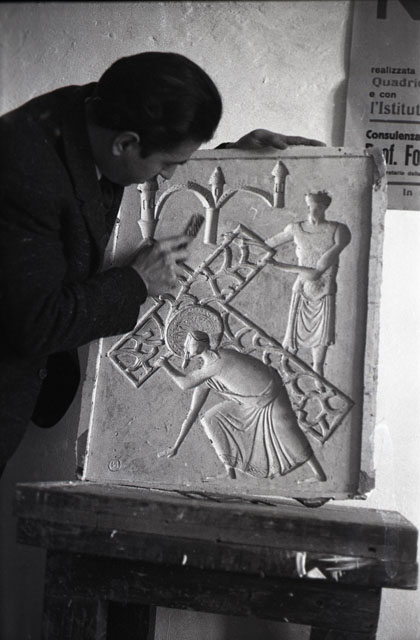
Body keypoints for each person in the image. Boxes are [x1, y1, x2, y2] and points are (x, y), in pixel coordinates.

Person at [0, 51, 324, 475]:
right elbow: (35, 323)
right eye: (170, 163)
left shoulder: (95, 114)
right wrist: (135, 281)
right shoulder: (21, 169)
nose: (169, 175)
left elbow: (131, 170)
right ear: (125, 143)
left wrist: (231, 160)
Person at [158, 330, 326, 482]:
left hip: (270, 394)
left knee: (288, 430)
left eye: (189, 343)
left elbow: (185, 384)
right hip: (252, 404)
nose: (187, 347)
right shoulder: (207, 374)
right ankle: (229, 471)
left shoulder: (217, 361)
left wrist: (165, 366)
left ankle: (319, 474)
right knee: (211, 419)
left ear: (201, 344)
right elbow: (192, 412)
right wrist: (176, 446)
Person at [267, 190, 351, 377]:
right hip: (302, 289)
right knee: (292, 337)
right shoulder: (295, 228)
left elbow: (316, 273)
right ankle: (284, 369)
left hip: (323, 289)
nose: (312, 212)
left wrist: (279, 265)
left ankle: (317, 371)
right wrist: (244, 241)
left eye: (317, 208)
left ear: (324, 208)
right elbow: (267, 244)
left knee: (321, 336)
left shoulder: (339, 231)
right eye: (309, 207)